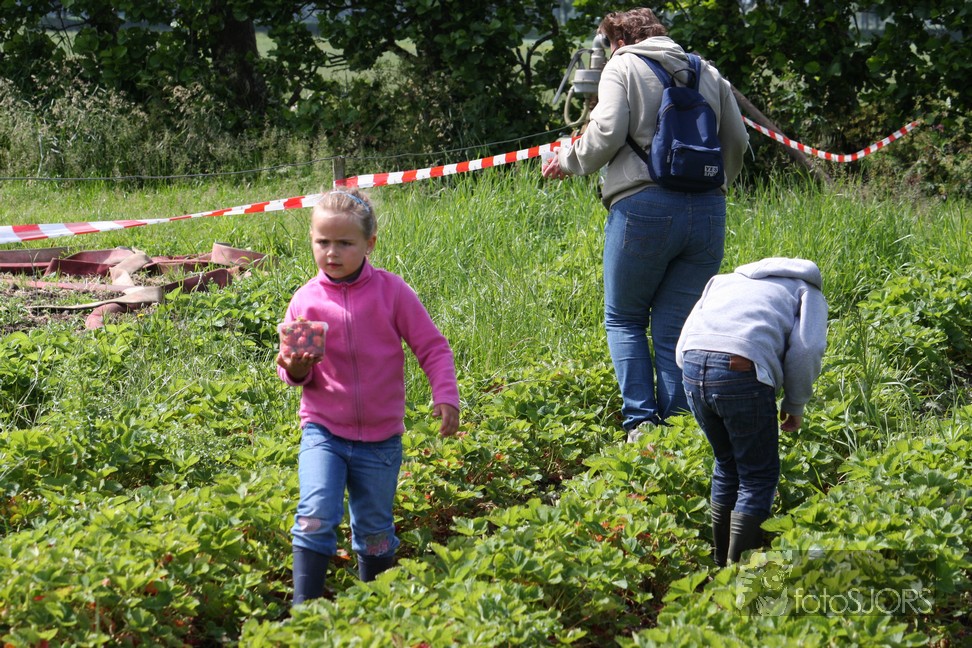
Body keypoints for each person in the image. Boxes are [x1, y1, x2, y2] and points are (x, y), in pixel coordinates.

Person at [542, 8, 749, 442]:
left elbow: (606, 132)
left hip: (643, 208)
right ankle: (678, 433)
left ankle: (641, 427)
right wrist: (715, 187)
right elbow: (738, 140)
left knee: (625, 318)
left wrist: (567, 160)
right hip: (708, 212)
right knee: (676, 326)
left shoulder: (622, 66)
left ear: (619, 40)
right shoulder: (708, 72)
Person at [277, 188, 461, 604]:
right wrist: (297, 367)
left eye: (345, 243)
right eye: (323, 242)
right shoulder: (306, 301)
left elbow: (432, 347)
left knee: (375, 530)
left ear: (369, 243)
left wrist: (446, 394)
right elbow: (292, 372)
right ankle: (304, 612)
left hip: (380, 440)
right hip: (323, 431)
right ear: (312, 241)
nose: (332, 252)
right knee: (314, 515)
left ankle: (377, 610)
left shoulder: (392, 292)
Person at [676, 257, 828, 566]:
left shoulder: (723, 280)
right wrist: (795, 403)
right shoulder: (805, 290)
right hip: (741, 368)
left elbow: (685, 337)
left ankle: (720, 564)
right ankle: (739, 574)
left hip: (691, 364)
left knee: (727, 463)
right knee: (757, 476)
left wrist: (700, 376)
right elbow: (807, 349)